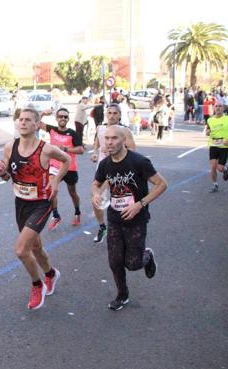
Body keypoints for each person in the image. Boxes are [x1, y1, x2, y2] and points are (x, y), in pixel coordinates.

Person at [0, 108, 71, 310]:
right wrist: (2, 171)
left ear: (37, 124)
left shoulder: (46, 149)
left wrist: (55, 180)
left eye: (28, 120)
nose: (23, 123)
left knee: (21, 249)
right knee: (36, 247)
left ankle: (37, 285)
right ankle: (51, 274)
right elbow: (7, 175)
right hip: (21, 202)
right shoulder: (10, 147)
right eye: (20, 119)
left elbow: (67, 160)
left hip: (41, 203)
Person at [92, 125, 167, 310]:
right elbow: (96, 183)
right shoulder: (105, 164)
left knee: (132, 264)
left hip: (137, 220)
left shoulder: (139, 161)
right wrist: (96, 194)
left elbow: (162, 184)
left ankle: (147, 256)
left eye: (114, 138)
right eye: (106, 138)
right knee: (115, 261)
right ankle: (122, 295)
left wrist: (139, 204)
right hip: (115, 219)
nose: (109, 142)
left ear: (124, 140)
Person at [90, 104, 136, 243]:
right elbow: (97, 143)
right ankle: (102, 227)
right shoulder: (101, 128)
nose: (112, 115)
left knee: (122, 199)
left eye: (115, 113)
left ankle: (125, 229)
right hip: (103, 167)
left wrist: (122, 156)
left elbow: (133, 149)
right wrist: (94, 153)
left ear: (120, 115)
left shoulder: (124, 130)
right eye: (109, 113)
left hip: (120, 168)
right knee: (95, 198)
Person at [38, 108, 84, 230]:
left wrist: (65, 149)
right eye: (60, 116)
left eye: (65, 117)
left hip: (70, 167)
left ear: (68, 119)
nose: (63, 118)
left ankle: (77, 212)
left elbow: (80, 150)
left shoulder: (73, 133)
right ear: (57, 118)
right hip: (54, 166)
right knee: (52, 189)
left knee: (72, 193)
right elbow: (36, 123)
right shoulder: (52, 129)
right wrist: (42, 113)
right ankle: (56, 215)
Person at [205, 102, 228, 192]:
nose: (218, 108)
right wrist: (207, 132)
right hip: (213, 144)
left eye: (220, 106)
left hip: (224, 145)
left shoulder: (227, 119)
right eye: (216, 106)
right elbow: (208, 129)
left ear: (223, 108)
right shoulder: (210, 120)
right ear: (214, 108)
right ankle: (215, 185)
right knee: (213, 166)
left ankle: (225, 169)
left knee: (220, 168)